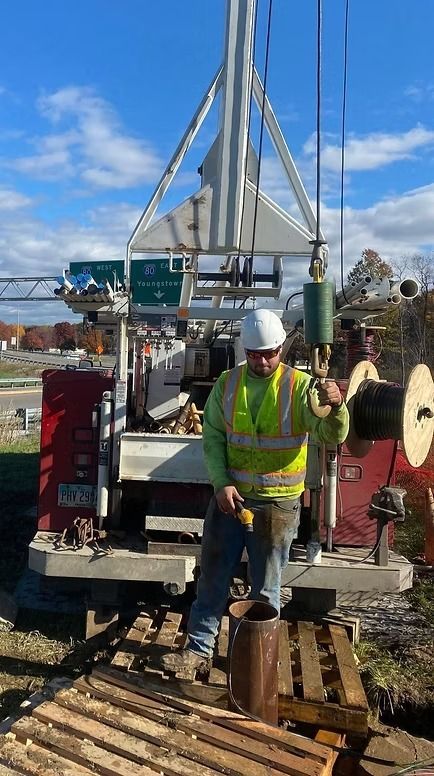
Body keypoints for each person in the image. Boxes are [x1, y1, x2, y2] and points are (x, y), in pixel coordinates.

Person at [161, 308, 349, 672]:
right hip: (230, 500)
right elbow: (213, 437)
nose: (263, 361)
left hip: (276, 507)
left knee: (265, 589)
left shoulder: (301, 387)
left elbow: (331, 434)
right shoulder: (228, 384)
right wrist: (221, 483)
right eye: (254, 354)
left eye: (270, 353)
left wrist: (338, 406)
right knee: (213, 577)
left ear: (282, 347)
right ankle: (198, 653)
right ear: (244, 351)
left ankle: (252, 662)